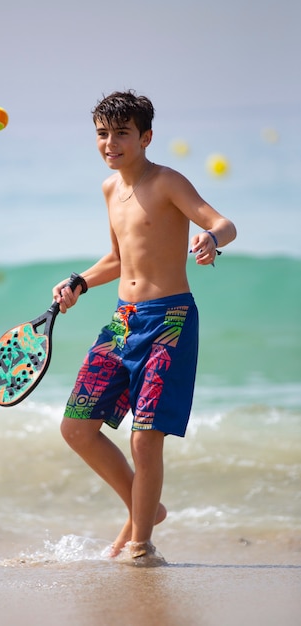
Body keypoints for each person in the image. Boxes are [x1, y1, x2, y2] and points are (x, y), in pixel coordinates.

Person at [52, 90, 236, 560]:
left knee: (144, 435)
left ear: (146, 137)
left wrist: (211, 240)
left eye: (121, 134)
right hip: (122, 321)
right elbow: (117, 258)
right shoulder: (110, 189)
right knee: (76, 428)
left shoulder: (168, 181)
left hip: (169, 319)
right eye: (102, 134)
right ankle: (146, 509)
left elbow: (223, 222)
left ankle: (140, 545)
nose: (110, 143)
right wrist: (79, 282)